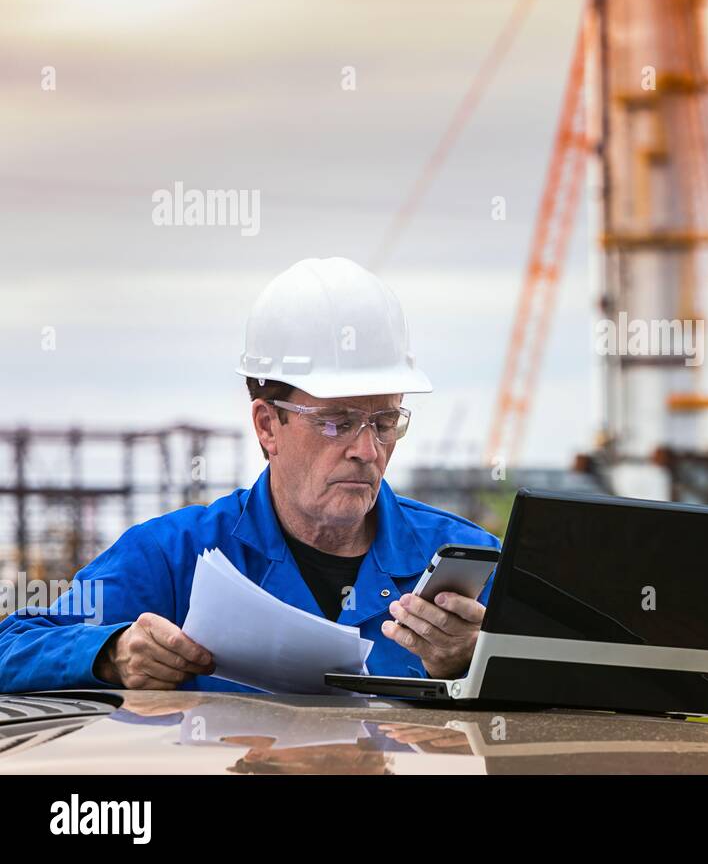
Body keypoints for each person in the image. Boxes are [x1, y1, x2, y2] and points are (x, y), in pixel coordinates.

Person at [0, 257, 497, 693]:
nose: (367, 450)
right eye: (336, 423)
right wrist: (109, 653)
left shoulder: (475, 564)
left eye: (385, 423)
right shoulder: (175, 557)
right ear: (267, 426)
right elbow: (12, 646)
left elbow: (566, 692)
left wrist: (476, 663)